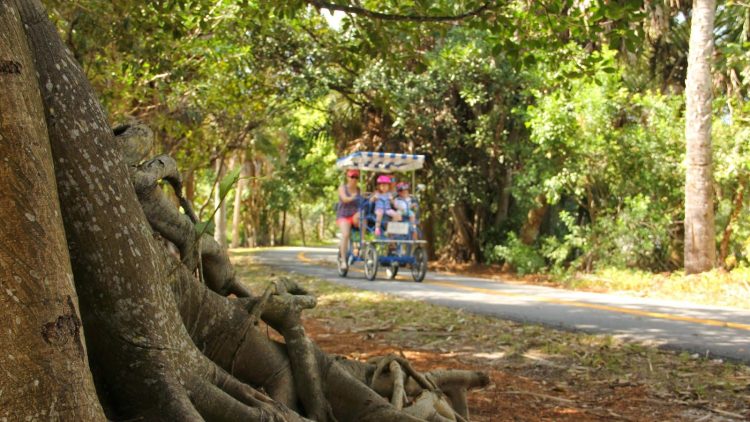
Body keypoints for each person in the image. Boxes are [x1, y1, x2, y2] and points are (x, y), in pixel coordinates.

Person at [336, 169, 362, 269]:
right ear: (347, 177)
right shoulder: (342, 188)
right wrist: (354, 197)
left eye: (356, 177)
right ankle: (343, 261)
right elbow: (345, 199)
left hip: (355, 215)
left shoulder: (360, 190)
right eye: (352, 177)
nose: (354, 179)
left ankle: (363, 246)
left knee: (364, 219)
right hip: (344, 215)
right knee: (346, 234)